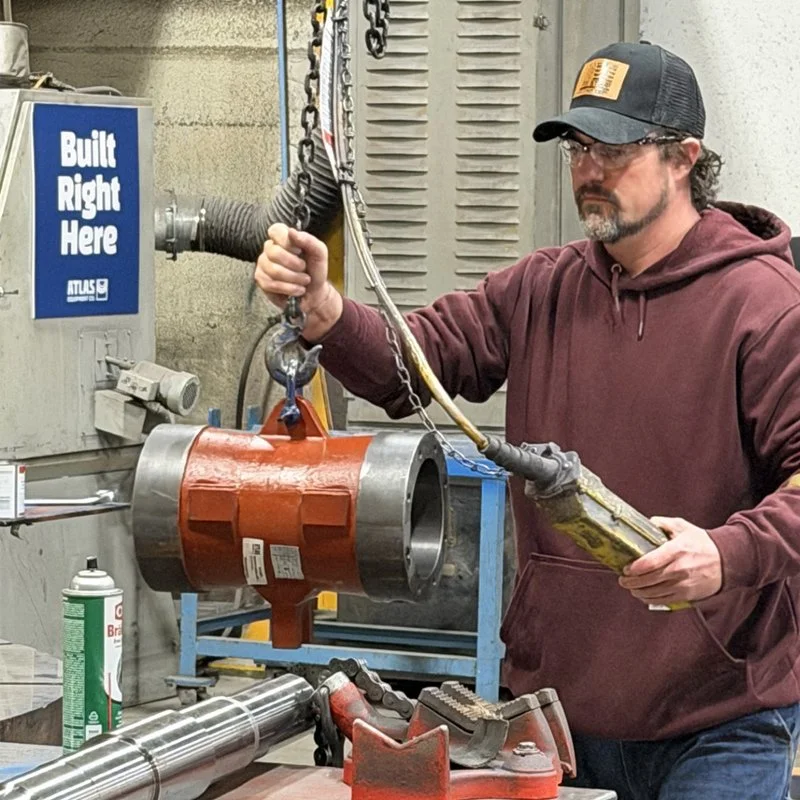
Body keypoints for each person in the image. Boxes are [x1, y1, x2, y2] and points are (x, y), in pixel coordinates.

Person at [255, 40, 800, 799]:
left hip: (720, 721)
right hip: (560, 718)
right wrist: (327, 314)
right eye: (578, 148)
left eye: (615, 149)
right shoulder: (542, 289)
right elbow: (416, 365)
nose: (589, 170)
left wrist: (727, 553)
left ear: (684, 158)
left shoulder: (765, 306)